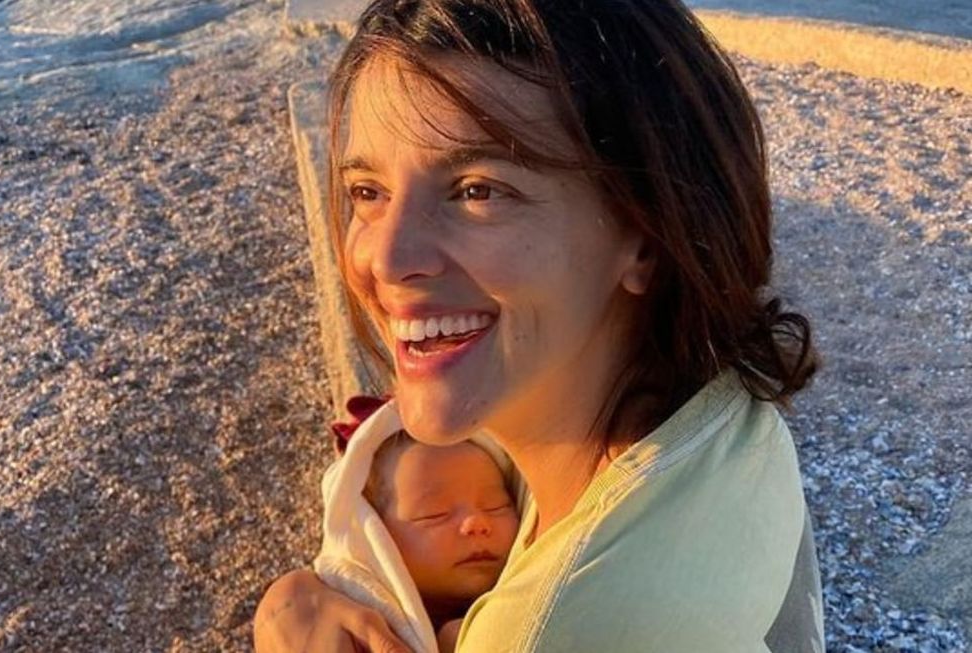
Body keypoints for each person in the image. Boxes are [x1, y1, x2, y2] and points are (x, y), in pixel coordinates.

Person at [254, 0, 824, 651]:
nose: (387, 257)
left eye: (477, 190)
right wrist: (295, 595)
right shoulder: (721, 411)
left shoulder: (547, 631)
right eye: (367, 191)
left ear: (647, 235)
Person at [315, 396, 520, 653]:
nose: (476, 523)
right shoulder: (348, 635)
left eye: (496, 505)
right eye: (435, 514)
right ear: (375, 537)